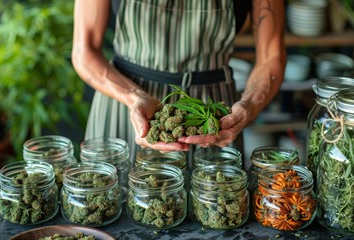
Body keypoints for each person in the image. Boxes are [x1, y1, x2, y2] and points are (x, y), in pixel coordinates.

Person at [71, 0, 286, 164]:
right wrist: (134, 97)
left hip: (212, 118)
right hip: (123, 105)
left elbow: (271, 57)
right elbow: (84, 51)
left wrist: (248, 105)